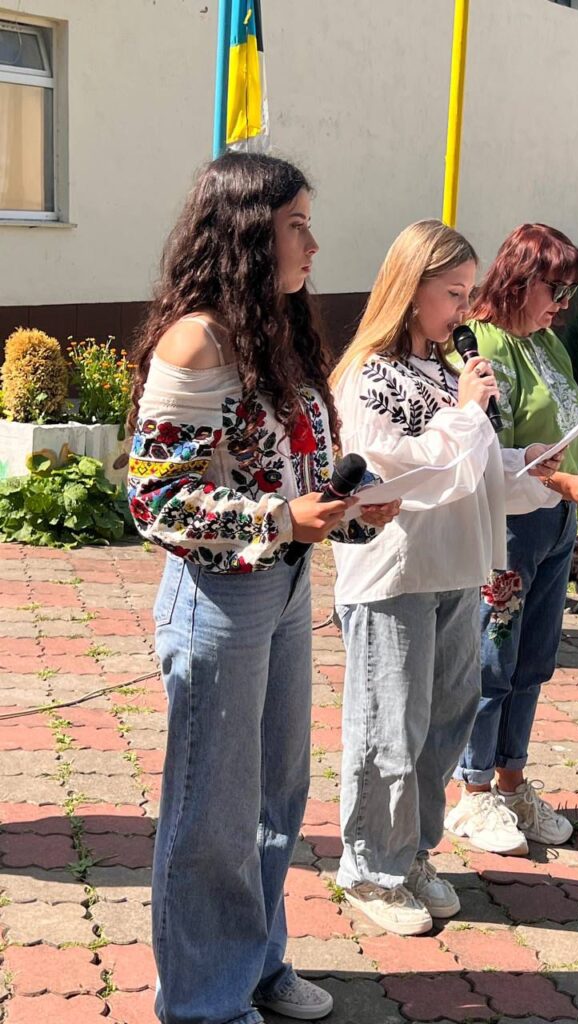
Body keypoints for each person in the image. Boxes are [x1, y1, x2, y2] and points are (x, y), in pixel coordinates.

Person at [127, 152, 399, 1024]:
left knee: (277, 793)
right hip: (218, 601)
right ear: (247, 234)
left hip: (285, 590)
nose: (313, 245)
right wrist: (282, 519)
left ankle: (254, 963)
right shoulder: (197, 340)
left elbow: (297, 473)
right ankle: (202, 1002)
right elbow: (155, 499)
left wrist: (351, 513)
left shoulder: (275, 331)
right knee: (213, 811)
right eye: (296, 226)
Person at [329, 220, 563, 936]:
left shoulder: (442, 371)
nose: (465, 311)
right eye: (453, 294)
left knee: (444, 722)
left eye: (468, 293)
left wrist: (538, 468)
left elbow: (471, 472)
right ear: (410, 289)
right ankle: (371, 867)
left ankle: (413, 854)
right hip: (395, 573)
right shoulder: (368, 376)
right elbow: (403, 474)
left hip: (457, 570)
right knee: (390, 728)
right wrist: (466, 412)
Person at [446, 223, 578, 856]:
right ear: (520, 279)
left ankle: (512, 780)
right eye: (556, 289)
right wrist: (567, 481)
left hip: (555, 522)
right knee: (492, 658)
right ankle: (473, 791)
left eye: (571, 292)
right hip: (508, 525)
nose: (564, 305)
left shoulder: (547, 344)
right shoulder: (478, 345)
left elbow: (563, 434)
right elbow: (487, 449)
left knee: (533, 660)